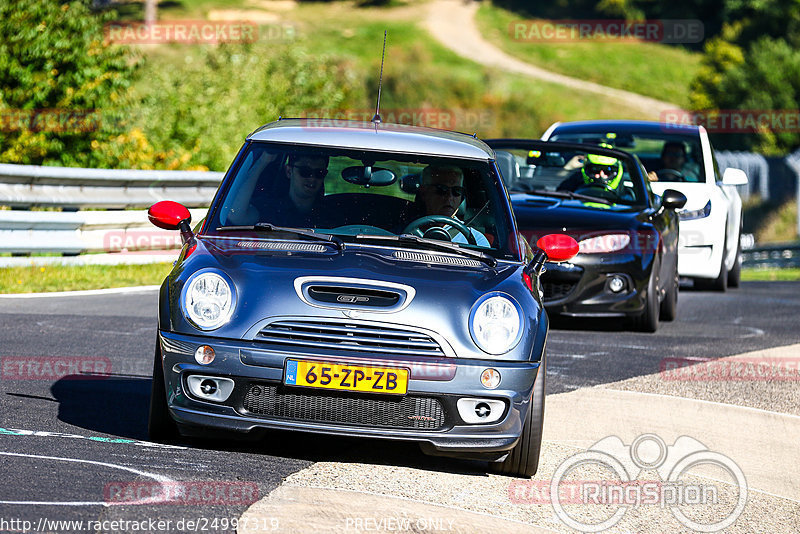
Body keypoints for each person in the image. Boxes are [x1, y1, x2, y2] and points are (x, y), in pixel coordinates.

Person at [413, 164, 490, 247]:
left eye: (457, 191)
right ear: (424, 193)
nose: (449, 198)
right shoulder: (402, 231)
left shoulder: (476, 239)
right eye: (442, 190)